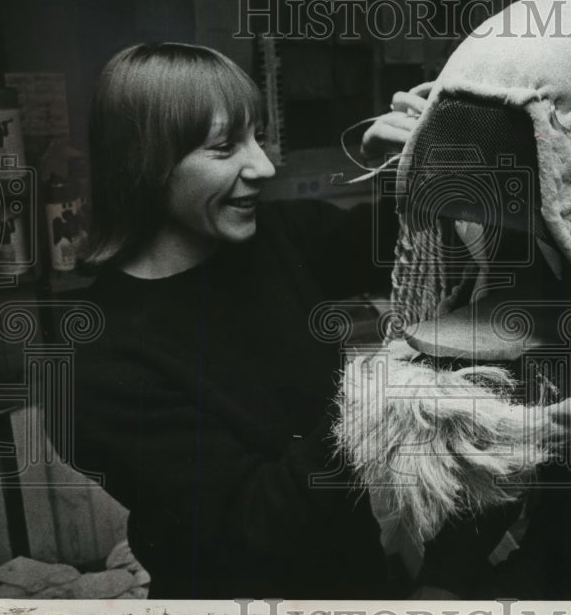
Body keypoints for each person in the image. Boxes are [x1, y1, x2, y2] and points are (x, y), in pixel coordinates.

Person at [61, 42, 423, 599]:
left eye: (257, 136)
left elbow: (393, 242)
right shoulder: (98, 360)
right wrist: (389, 393)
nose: (264, 166)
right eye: (225, 146)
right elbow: (257, 522)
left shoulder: (274, 237)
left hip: (358, 578)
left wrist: (419, 157)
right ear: (145, 161)